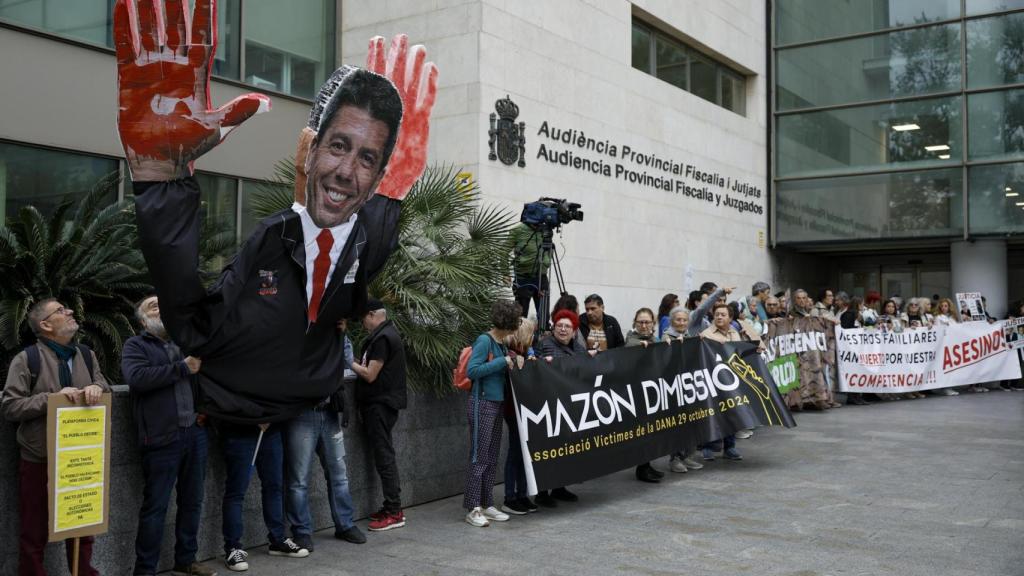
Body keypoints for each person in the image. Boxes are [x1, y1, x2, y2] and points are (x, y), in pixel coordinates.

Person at [116, 1, 436, 424]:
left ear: (379, 175)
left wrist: (390, 197)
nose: (344, 172)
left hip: (309, 405)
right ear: (310, 150)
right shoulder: (274, 238)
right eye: (339, 146)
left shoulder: (358, 247)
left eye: (367, 159)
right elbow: (194, 327)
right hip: (236, 403)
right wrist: (161, 179)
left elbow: (355, 271)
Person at [2, 299, 109, 576]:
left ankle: (83, 571)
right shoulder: (27, 359)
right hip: (40, 458)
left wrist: (96, 388)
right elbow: (11, 406)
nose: (70, 311)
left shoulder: (86, 354)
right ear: (45, 325)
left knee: (82, 522)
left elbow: (103, 385)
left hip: (81, 456)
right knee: (34, 528)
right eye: (60, 310)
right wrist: (51, 399)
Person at [122, 296, 215, 576]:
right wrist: (181, 368)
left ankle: (186, 559)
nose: (160, 307)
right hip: (162, 438)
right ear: (142, 320)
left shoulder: (186, 343)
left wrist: (204, 411)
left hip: (194, 434)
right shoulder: (135, 345)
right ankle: (145, 569)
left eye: (164, 302)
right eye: (153, 305)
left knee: (192, 501)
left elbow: (206, 380)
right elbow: (137, 378)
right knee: (156, 506)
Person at [282, 319, 365, 553]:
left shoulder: (335, 332)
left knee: (339, 474)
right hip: (301, 413)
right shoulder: (294, 331)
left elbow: (348, 358)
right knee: (298, 480)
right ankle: (302, 531)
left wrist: (341, 334)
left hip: (329, 413)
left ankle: (345, 524)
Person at [351, 298, 408, 532]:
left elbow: (370, 374)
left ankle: (394, 511)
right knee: (384, 455)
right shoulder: (387, 334)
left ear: (373, 314)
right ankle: (391, 507)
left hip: (380, 404)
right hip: (382, 404)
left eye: (364, 318)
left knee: (384, 456)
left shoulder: (383, 338)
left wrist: (346, 361)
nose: (363, 323)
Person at [463, 300, 521, 527]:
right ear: (508, 322)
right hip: (482, 403)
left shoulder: (500, 344)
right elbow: (473, 370)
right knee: (479, 456)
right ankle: (473, 507)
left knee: (491, 455)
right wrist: (502, 362)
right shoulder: (485, 341)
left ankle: (486, 503)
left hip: (495, 404)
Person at [535, 309, 594, 506]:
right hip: (549, 406)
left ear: (574, 330)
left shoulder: (578, 348)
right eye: (559, 325)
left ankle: (559, 487)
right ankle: (542, 493)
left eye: (567, 326)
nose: (562, 329)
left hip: (570, 407)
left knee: (565, 449)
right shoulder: (545, 345)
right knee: (548, 449)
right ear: (553, 327)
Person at [501, 318, 539, 515]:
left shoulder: (525, 353)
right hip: (513, 410)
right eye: (530, 334)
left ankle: (522, 494)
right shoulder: (510, 355)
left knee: (524, 454)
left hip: (523, 410)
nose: (532, 338)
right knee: (515, 452)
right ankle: (510, 497)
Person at [625, 308, 665, 483]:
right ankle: (641, 468)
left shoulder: (655, 340)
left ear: (653, 324)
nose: (643, 325)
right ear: (635, 323)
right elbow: (629, 347)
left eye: (647, 322)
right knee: (642, 432)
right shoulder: (632, 340)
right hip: (636, 394)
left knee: (651, 432)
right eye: (640, 322)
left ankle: (647, 465)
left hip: (653, 392)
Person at [699, 303, 742, 461]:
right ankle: (708, 447)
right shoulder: (706, 333)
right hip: (711, 379)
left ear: (730, 318)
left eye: (723, 315)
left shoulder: (734, 333)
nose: (719, 317)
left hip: (730, 380)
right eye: (717, 314)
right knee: (712, 413)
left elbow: (737, 352)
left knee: (731, 412)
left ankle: (729, 447)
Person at [510, 223, 551, 319]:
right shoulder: (517, 230)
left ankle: (543, 331)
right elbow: (503, 251)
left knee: (544, 316)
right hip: (523, 277)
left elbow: (548, 251)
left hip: (541, 276)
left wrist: (547, 260)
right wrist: (505, 273)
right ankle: (519, 333)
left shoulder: (546, 230)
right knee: (520, 316)